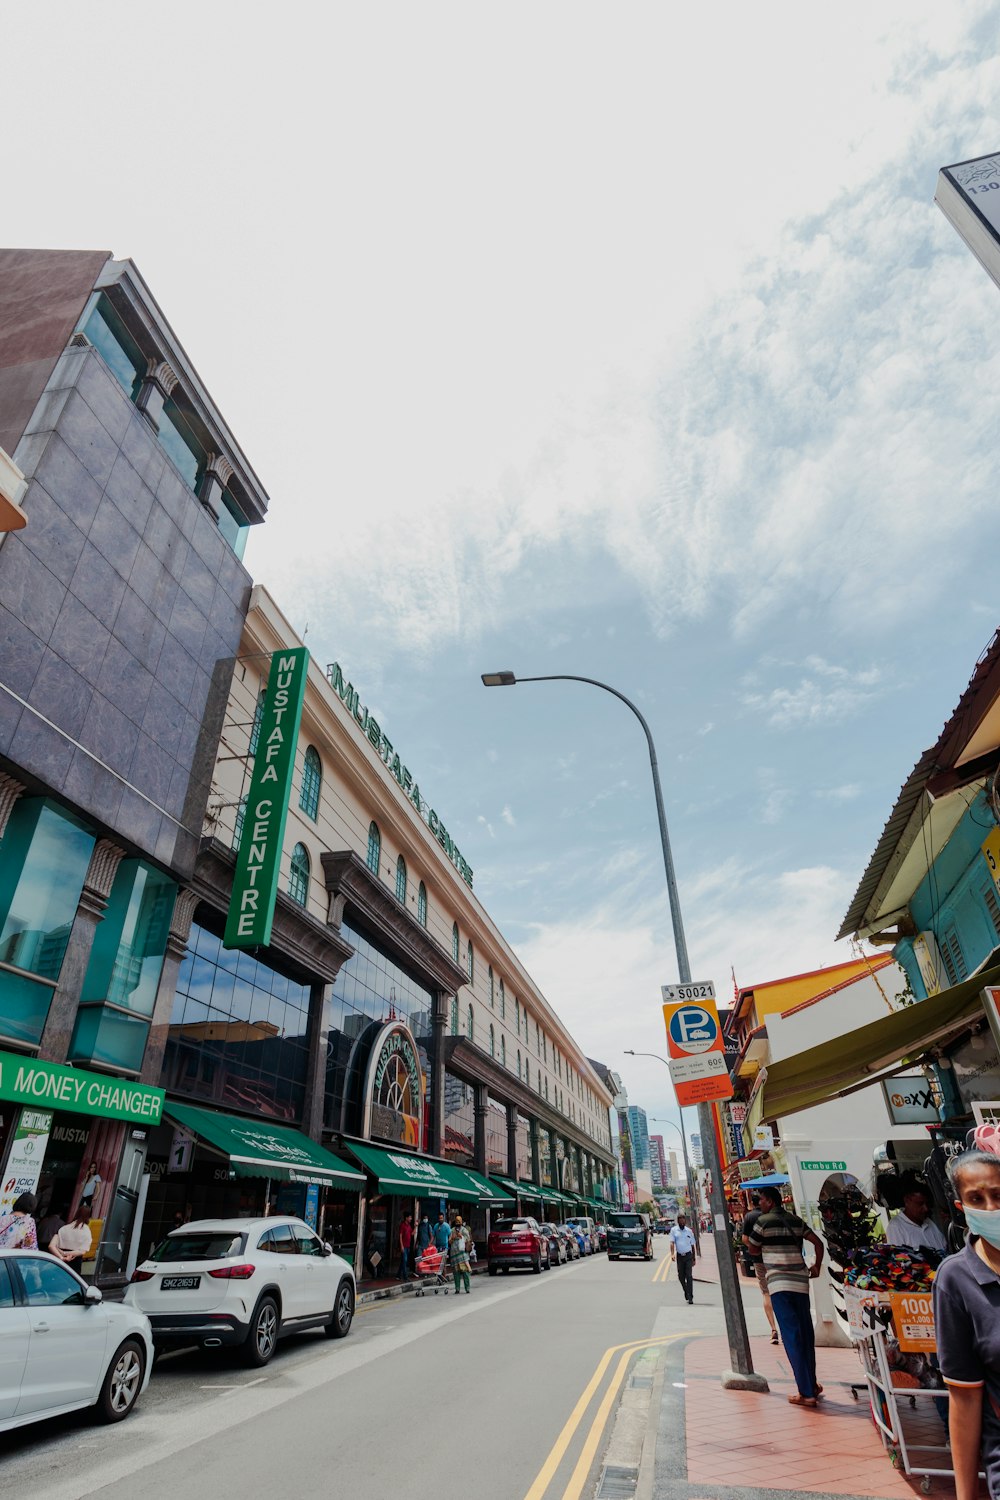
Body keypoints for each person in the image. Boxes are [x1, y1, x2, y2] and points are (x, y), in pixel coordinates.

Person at [932, 1147, 1000, 1500]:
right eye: (977, 1198)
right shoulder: (956, 1279)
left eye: (998, 1195)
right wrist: (965, 1495)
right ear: (962, 1208)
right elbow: (965, 1397)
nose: (990, 1207)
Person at [747, 1183, 825, 1407]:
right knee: (806, 1335)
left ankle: (806, 1393)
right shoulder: (794, 1220)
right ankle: (812, 1384)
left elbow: (752, 1249)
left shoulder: (762, 1222)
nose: (758, 1203)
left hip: (779, 1284)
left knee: (792, 1338)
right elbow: (818, 1243)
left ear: (770, 1202)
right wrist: (816, 1267)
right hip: (801, 1283)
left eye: (761, 1200)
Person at [742, 1193, 780, 1345]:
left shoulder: (749, 1217)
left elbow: (745, 1239)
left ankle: (773, 1329)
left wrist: (754, 1248)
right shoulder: (772, 1216)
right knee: (779, 1290)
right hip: (776, 1258)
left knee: (766, 1293)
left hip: (759, 1260)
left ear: (752, 1203)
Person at [886, 1177, 947, 1253]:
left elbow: (944, 1248)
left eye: (926, 1204)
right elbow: (899, 1259)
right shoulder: (896, 1227)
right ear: (907, 1201)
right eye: (920, 1204)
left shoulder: (928, 1222)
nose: (925, 1208)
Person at [50, 1204, 93, 1274]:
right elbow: (82, 1251)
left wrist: (62, 1255)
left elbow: (51, 1246)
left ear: (77, 1213)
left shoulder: (64, 1228)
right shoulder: (86, 1231)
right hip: (75, 1264)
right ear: (88, 1217)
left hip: (60, 1261)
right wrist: (67, 1254)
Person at [669, 1213, 697, 1303]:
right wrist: (672, 1254)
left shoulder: (689, 1231)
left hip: (688, 1255)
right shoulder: (674, 1230)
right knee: (681, 1276)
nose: (682, 1221)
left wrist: (694, 1258)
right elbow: (672, 1243)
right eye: (680, 1220)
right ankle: (686, 1291)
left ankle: (690, 1296)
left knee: (689, 1276)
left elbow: (692, 1245)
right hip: (680, 1256)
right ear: (678, 1221)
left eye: (683, 1220)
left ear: (685, 1221)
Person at [449, 1215, 472, 1294]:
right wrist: (453, 1238)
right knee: (456, 1272)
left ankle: (467, 1288)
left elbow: (468, 1239)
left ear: (461, 1222)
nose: (458, 1223)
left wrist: (461, 1236)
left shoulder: (464, 1230)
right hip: (454, 1254)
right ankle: (457, 1288)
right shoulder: (452, 1230)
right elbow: (449, 1241)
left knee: (465, 1271)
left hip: (462, 1254)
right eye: (456, 1221)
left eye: (459, 1221)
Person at [397, 1212, 414, 1280]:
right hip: (404, 1246)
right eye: (410, 1217)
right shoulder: (402, 1225)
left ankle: (398, 1275)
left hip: (408, 1246)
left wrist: (416, 1227)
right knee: (405, 1261)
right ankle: (405, 1277)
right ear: (406, 1218)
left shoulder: (409, 1226)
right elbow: (400, 1236)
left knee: (403, 1261)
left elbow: (412, 1234)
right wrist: (401, 1246)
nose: (411, 1219)